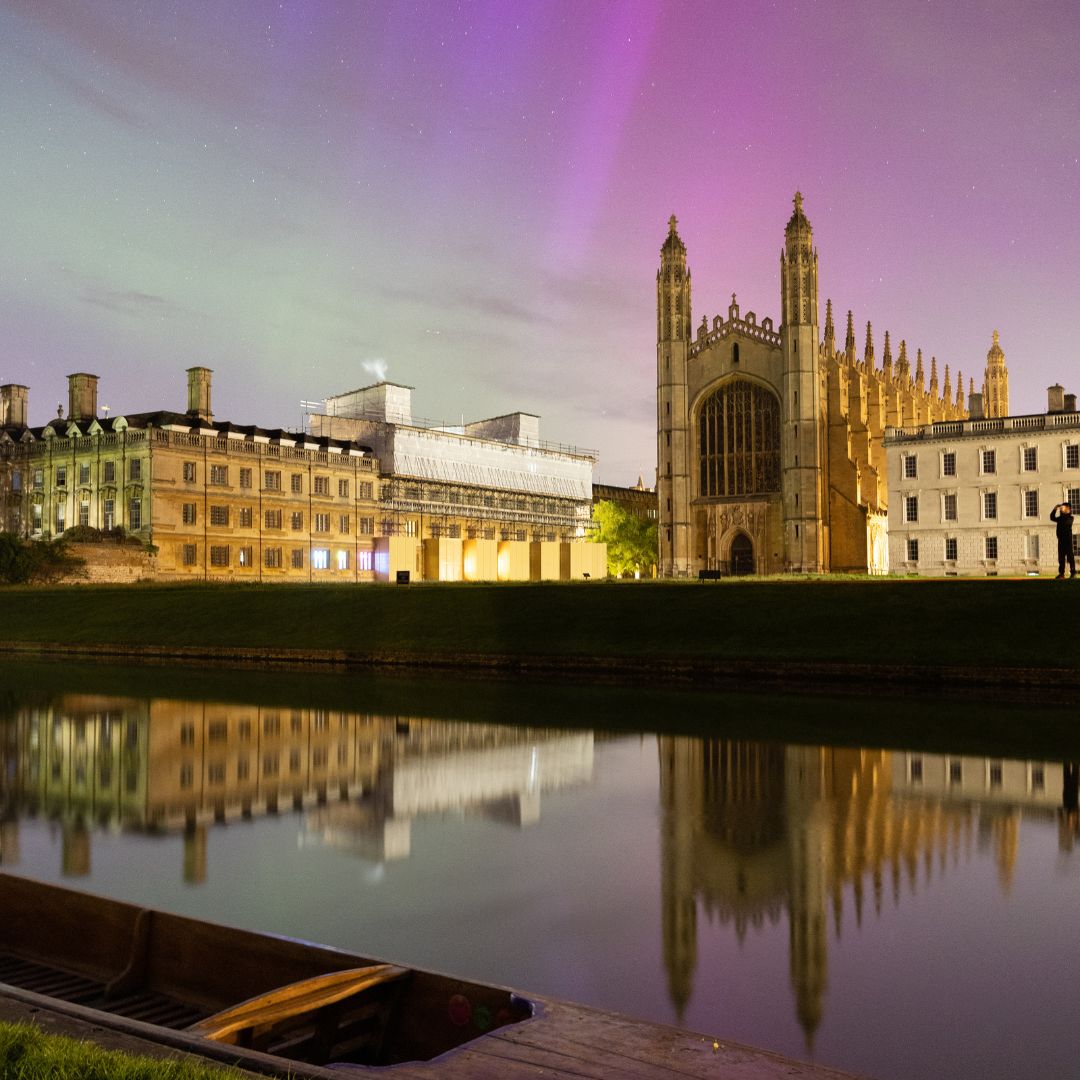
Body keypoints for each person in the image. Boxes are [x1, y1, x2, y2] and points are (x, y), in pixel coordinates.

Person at [1050, 501, 1076, 579]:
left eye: (1064, 507)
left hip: (1067, 541)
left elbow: (1065, 522)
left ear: (1069, 509)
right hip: (1061, 540)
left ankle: (1073, 573)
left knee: (1070, 557)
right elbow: (1052, 518)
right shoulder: (1060, 518)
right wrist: (1055, 509)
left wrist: (1064, 511)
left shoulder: (1070, 518)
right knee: (1061, 558)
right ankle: (1061, 574)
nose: (1062, 509)